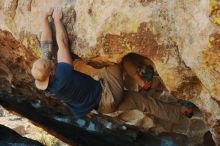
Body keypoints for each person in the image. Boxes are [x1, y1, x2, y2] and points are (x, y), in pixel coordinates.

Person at [31, 8, 192, 123]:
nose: (50, 61)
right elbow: (63, 43)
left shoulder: (45, 85)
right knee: (112, 57)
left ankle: (182, 112)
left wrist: (45, 19)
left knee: (145, 104)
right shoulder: (63, 75)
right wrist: (57, 20)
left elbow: (46, 45)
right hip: (107, 94)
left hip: (103, 107)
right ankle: (142, 78)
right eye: (50, 64)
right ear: (52, 72)